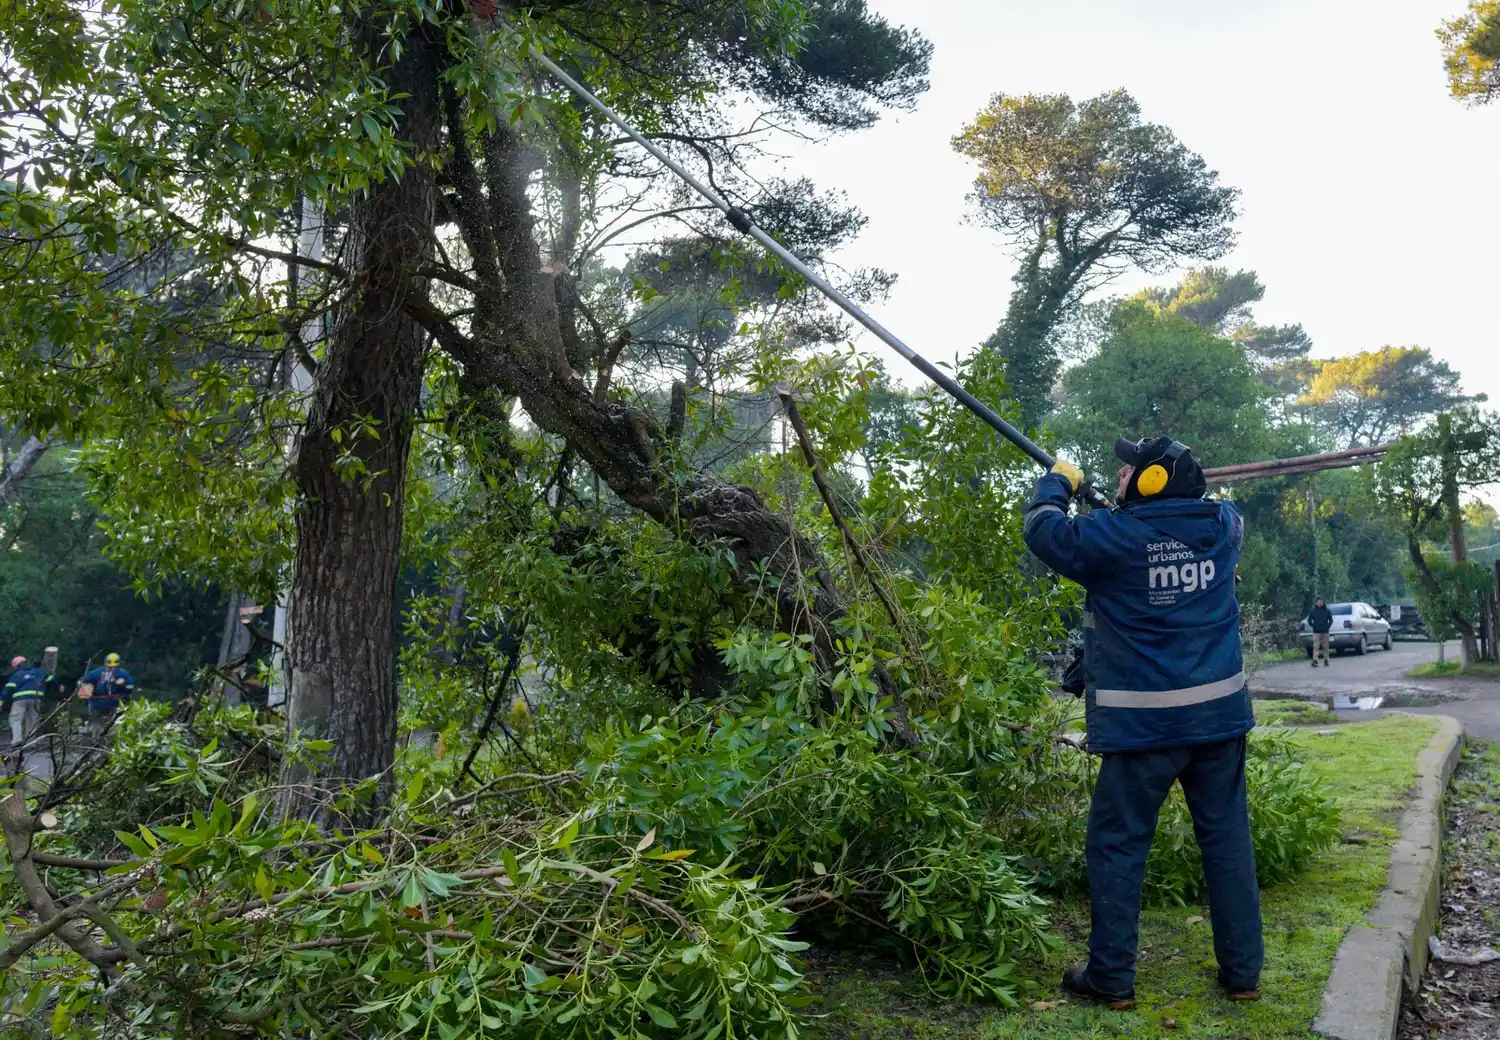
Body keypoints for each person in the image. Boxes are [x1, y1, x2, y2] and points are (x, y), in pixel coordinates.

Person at [1022, 436, 1262, 1010]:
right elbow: (1176, 530)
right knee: (1227, 842)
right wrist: (1128, 511)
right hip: (1219, 721)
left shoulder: (1115, 540)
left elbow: (1045, 531)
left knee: (1118, 846)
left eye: (1131, 470)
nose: (1123, 475)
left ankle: (1111, 978)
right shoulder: (1225, 526)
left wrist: (1059, 481)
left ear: (1151, 483)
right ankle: (1243, 975)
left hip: (1144, 730)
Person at [78, 652, 137, 740]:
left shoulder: (123, 674)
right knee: (95, 728)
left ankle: (105, 743)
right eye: (110, 667)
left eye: (114, 667)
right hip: (97, 705)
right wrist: (87, 689)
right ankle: (94, 744)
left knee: (112, 729)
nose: (111, 669)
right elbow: (81, 683)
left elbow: (130, 686)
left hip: (114, 705)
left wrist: (123, 684)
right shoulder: (96, 673)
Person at [4, 655, 54, 749]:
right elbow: (52, 680)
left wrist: (1, 700)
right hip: (35, 699)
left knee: (15, 719)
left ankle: (17, 740)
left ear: (17, 665)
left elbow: (8, 689)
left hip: (20, 700)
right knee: (33, 721)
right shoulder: (39, 672)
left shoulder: (16, 675)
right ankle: (31, 743)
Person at [1307, 598, 1334, 667]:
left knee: (1326, 646)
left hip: (1325, 632)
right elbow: (1309, 620)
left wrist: (1327, 627)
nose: (1319, 603)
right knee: (1316, 646)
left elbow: (1331, 620)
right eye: (1318, 602)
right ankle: (1315, 660)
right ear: (1316, 603)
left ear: (1323, 603)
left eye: (1321, 602)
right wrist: (1313, 626)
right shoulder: (1313, 611)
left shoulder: (1327, 611)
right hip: (1316, 632)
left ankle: (1326, 660)